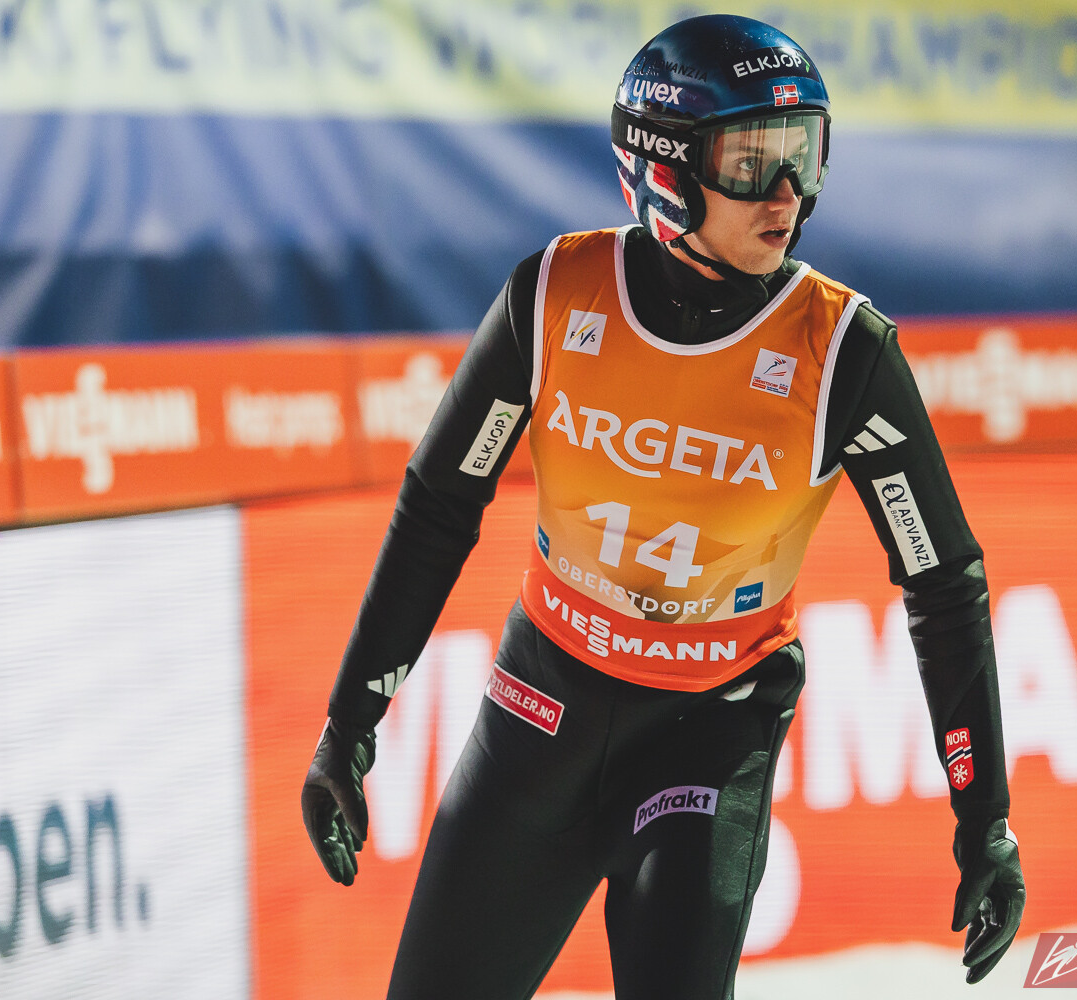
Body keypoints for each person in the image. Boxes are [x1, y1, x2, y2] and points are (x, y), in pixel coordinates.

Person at [301, 14, 1024, 999]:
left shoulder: (844, 352)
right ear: (667, 170)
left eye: (803, 155)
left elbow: (942, 580)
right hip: (542, 707)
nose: (787, 195)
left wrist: (985, 819)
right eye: (752, 163)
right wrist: (349, 721)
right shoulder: (554, 295)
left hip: (710, 733)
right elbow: (438, 505)